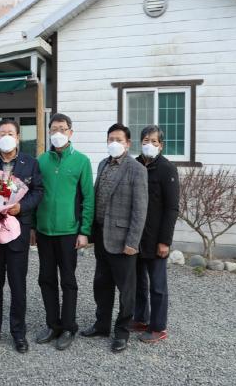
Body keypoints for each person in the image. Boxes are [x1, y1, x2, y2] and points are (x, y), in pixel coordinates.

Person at [80, 123, 147, 353]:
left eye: (119, 139)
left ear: (128, 143)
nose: (114, 143)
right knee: (102, 284)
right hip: (101, 235)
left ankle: (122, 332)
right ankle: (102, 325)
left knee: (126, 290)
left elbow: (140, 210)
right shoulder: (103, 164)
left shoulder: (136, 169)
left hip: (123, 240)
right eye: (110, 139)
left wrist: (132, 242)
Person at [0, 119, 43, 354]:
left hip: (18, 232)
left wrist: (21, 207)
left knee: (17, 285)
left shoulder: (30, 163)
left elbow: (38, 191)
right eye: (2, 133)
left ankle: (18, 333)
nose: (6, 137)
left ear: (18, 138)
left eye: (10, 133)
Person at [33, 113, 94, 351]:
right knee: (46, 279)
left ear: (71, 132)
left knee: (68, 280)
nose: (58, 133)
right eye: (54, 129)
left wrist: (84, 230)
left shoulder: (81, 161)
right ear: (49, 132)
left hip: (69, 231)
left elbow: (88, 198)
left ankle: (69, 327)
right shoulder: (41, 161)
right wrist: (33, 227)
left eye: (62, 128)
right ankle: (53, 325)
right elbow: (35, 194)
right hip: (44, 231)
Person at [133, 125, 179, 343]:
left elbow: (172, 208)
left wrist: (165, 241)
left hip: (156, 237)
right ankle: (141, 318)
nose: (149, 145)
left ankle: (158, 326)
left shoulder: (167, 169)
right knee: (138, 281)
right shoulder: (135, 164)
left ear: (161, 145)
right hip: (136, 236)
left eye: (154, 141)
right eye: (145, 141)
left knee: (158, 285)